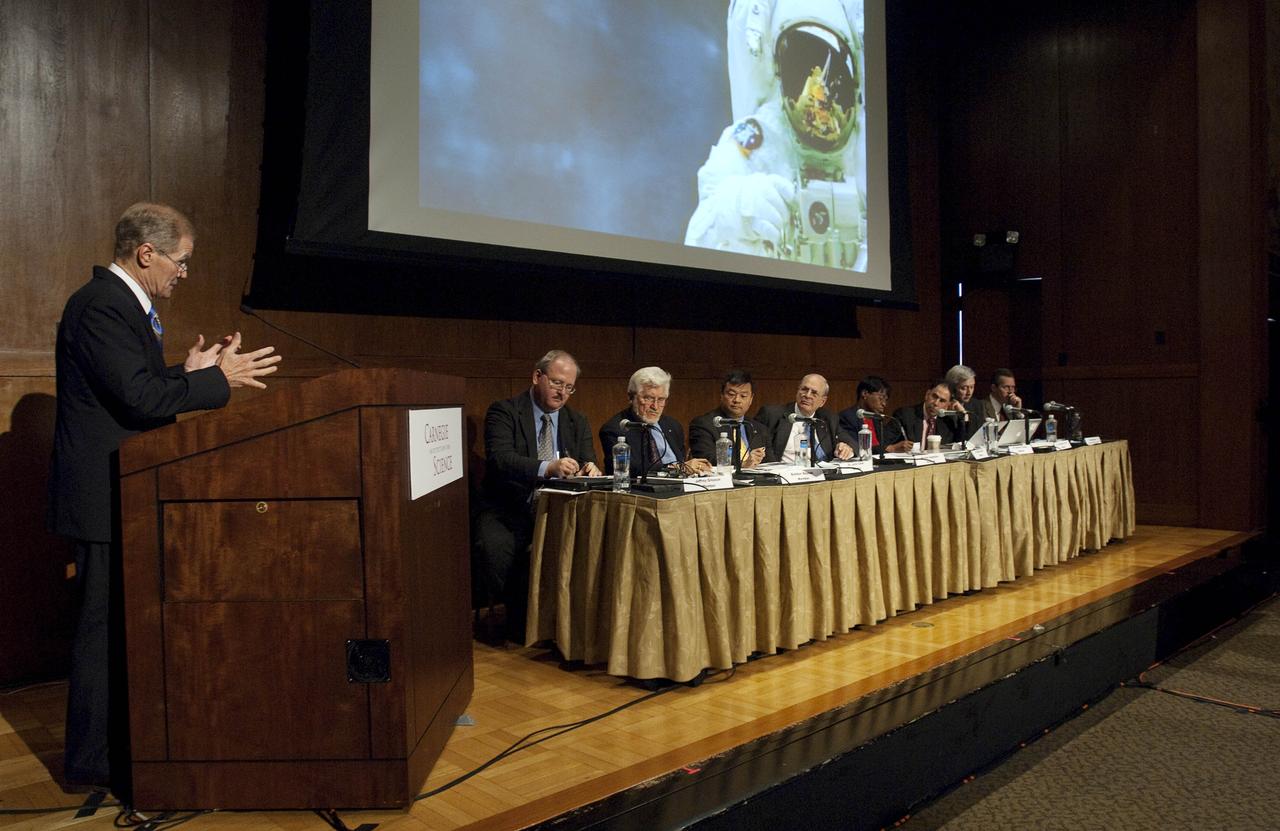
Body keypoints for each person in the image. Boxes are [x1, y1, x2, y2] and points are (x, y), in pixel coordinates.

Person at [48, 202, 281, 787]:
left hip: (122, 490)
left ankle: (121, 747)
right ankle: (89, 765)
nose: (184, 272)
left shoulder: (125, 303)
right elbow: (139, 401)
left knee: (120, 628)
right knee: (101, 634)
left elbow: (140, 389)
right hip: (103, 497)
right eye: (181, 261)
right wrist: (213, 381)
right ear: (145, 252)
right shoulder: (102, 303)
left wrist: (187, 371)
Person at [685, 0, 867, 271]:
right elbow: (697, 239)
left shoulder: (870, 148)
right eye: (802, 73)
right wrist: (737, 209)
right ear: (783, 80)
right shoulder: (757, 137)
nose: (820, 96)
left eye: (831, 75)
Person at [476, 350, 599, 640]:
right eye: (557, 383)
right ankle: (518, 622)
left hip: (559, 509)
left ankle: (568, 626)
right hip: (508, 507)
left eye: (569, 387)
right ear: (536, 376)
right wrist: (548, 467)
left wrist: (590, 468)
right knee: (498, 551)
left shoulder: (576, 420)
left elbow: (587, 460)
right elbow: (501, 459)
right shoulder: (504, 411)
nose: (563, 393)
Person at [600, 367, 711, 476]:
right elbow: (630, 469)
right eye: (648, 398)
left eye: (661, 399)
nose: (655, 406)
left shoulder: (673, 425)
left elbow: (682, 463)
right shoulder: (614, 429)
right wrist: (679, 468)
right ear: (630, 397)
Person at [756, 373, 854, 463]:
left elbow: (852, 443)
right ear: (797, 390)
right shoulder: (772, 414)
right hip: (785, 477)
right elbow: (755, 447)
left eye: (814, 393)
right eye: (804, 389)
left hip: (823, 476)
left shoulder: (828, 418)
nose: (807, 395)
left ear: (822, 402)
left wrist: (846, 449)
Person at [688, 369, 773, 468]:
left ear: (751, 399)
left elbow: (771, 463)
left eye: (743, 396)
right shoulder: (703, 424)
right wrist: (741, 465)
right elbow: (706, 459)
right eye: (731, 394)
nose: (737, 400)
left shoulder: (760, 429)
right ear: (722, 395)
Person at [837, 375, 912, 454]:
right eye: (881, 398)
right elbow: (856, 447)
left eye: (886, 400)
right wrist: (891, 449)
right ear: (865, 393)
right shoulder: (846, 417)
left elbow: (884, 443)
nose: (884, 404)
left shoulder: (876, 418)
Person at [892, 380, 962, 447]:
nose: (935, 403)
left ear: (948, 405)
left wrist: (963, 414)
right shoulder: (904, 415)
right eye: (934, 396)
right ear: (927, 394)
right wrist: (894, 448)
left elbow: (962, 446)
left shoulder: (948, 423)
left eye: (942, 401)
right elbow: (884, 444)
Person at [944, 364, 978, 437]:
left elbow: (973, 436)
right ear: (952, 388)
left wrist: (964, 415)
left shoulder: (977, 405)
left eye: (972, 387)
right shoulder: (944, 406)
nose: (969, 393)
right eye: (964, 388)